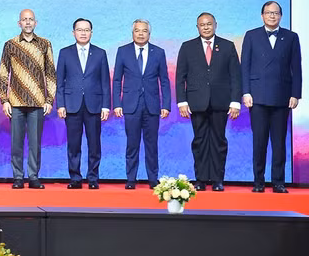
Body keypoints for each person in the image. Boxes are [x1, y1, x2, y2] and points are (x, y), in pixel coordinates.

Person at [175, 12, 241, 192]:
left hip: (221, 102)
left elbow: (236, 76)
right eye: (202, 25)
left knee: (219, 141)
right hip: (197, 102)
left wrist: (235, 101)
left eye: (209, 24)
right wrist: (182, 102)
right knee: (199, 141)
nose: (206, 27)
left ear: (215, 25)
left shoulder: (227, 46)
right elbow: (180, 77)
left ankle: (218, 179)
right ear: (197, 27)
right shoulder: (187, 47)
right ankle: (201, 179)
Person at [241, 1, 301, 193]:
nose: (272, 16)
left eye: (275, 13)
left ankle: (278, 182)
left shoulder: (291, 37)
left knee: (279, 142)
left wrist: (295, 94)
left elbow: (296, 68)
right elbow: (245, 67)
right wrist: (246, 91)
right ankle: (258, 182)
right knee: (259, 142)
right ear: (262, 16)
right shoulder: (251, 36)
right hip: (257, 97)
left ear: (281, 16)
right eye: (268, 13)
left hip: (282, 97)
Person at [0, 9, 56, 189]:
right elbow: (3, 73)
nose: (28, 22)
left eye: (31, 19)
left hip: (38, 102)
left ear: (36, 23)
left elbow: (51, 73)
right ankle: (17, 177)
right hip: (15, 102)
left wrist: (49, 100)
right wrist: (4, 100)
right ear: (19, 23)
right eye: (24, 20)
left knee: (35, 142)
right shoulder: (10, 45)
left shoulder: (45, 44)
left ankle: (33, 176)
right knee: (16, 142)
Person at [113, 19, 171, 189]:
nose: (140, 33)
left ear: (149, 33)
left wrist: (166, 105)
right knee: (132, 143)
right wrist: (117, 103)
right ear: (132, 33)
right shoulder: (123, 51)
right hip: (130, 106)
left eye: (144, 31)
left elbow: (165, 81)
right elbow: (117, 80)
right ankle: (131, 179)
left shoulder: (158, 52)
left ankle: (153, 179)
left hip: (152, 106)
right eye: (137, 30)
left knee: (152, 144)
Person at [55, 18, 111, 190]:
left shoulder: (100, 53)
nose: (83, 33)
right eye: (80, 30)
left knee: (94, 144)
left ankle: (93, 178)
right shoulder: (65, 53)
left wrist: (105, 106)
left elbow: (105, 82)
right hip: (72, 105)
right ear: (74, 33)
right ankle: (75, 178)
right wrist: (60, 104)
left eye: (87, 30)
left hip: (94, 105)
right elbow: (60, 82)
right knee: (73, 144)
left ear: (91, 33)